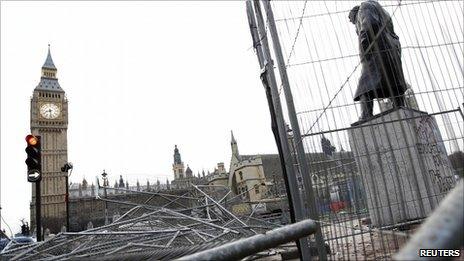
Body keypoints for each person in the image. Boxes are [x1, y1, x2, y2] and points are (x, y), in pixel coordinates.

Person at [349, 1, 407, 120]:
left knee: (365, 86)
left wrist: (365, 48)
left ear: (354, 14)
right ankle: (400, 107)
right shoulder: (382, 11)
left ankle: (366, 114)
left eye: (353, 21)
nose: (354, 24)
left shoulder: (363, 8)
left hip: (376, 51)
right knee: (393, 81)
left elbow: (369, 24)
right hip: (391, 50)